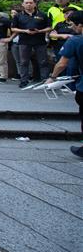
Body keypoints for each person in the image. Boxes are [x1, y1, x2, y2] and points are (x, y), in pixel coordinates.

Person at [42, 11, 83, 158]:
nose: (72, 28)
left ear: (80, 25)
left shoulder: (75, 40)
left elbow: (62, 63)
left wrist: (52, 77)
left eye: (72, 24)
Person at [11, 0, 52, 89]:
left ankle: (45, 80)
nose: (28, 4)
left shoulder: (42, 15)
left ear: (34, 4)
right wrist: (25, 31)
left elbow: (50, 27)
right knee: (24, 62)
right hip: (24, 41)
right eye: (26, 3)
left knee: (43, 61)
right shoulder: (18, 16)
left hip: (40, 41)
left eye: (30, 2)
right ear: (23, 4)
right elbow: (13, 28)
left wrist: (40, 31)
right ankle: (24, 80)